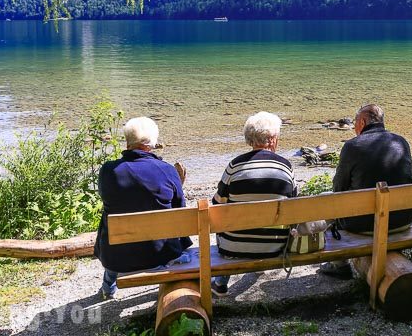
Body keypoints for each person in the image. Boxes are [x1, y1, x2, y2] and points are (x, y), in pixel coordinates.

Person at [94, 117, 192, 300]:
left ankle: (108, 286)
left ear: (128, 141)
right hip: (160, 256)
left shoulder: (108, 171)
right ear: (152, 143)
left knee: (111, 216)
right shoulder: (167, 170)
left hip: (116, 257)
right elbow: (180, 214)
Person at [318, 103, 412, 278]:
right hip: (403, 220)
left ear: (362, 122)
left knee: (326, 201)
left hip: (363, 225)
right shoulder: (401, 142)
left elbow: (338, 189)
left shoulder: (352, 146)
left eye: (355, 122)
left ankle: (339, 265)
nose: (354, 127)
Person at [210, 111, 297, 295]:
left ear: (249, 139)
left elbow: (217, 206)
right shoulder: (285, 167)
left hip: (233, 246)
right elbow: (294, 206)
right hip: (276, 245)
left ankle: (220, 282)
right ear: (273, 139)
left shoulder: (234, 166)